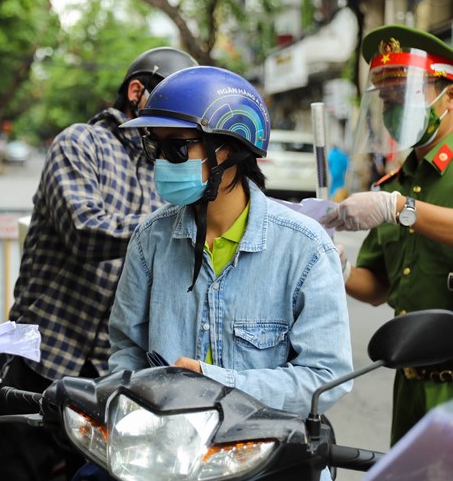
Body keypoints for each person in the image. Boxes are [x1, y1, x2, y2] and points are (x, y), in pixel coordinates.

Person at [0, 47, 198, 480]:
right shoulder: (81, 143)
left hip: (112, 373)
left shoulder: (168, 169)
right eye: (171, 104)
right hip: (42, 355)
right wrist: (174, 223)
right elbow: (85, 231)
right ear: (137, 92)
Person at [109, 65, 353, 422]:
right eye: (154, 146)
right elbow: (127, 349)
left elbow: (325, 378)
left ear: (229, 149)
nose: (162, 162)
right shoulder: (150, 240)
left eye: (176, 148)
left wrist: (214, 384)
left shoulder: (305, 248)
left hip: (267, 456)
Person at [319, 25, 453, 443]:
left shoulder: (397, 200)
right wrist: (336, 267)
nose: (396, 112)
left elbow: (408, 214)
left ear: (449, 94)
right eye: (388, 102)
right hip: (409, 381)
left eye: (406, 97)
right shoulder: (396, 183)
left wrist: (402, 210)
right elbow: (376, 287)